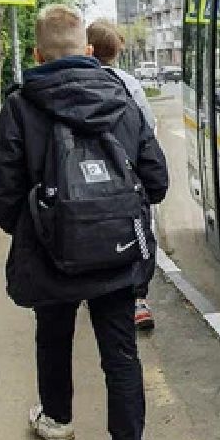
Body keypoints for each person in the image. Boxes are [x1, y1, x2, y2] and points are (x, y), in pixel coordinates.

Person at [0, 5, 169, 440]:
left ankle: (58, 420)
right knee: (120, 353)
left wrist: (32, 227)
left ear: (37, 54)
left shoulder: (21, 107)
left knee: (53, 334)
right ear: (88, 51)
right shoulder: (123, 100)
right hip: (119, 249)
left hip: (50, 252)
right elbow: (157, 180)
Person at [86, 20, 158, 332]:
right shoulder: (129, 85)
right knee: (138, 234)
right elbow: (148, 131)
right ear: (118, 50)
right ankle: (138, 299)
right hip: (127, 180)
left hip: (85, 179)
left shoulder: (72, 82)